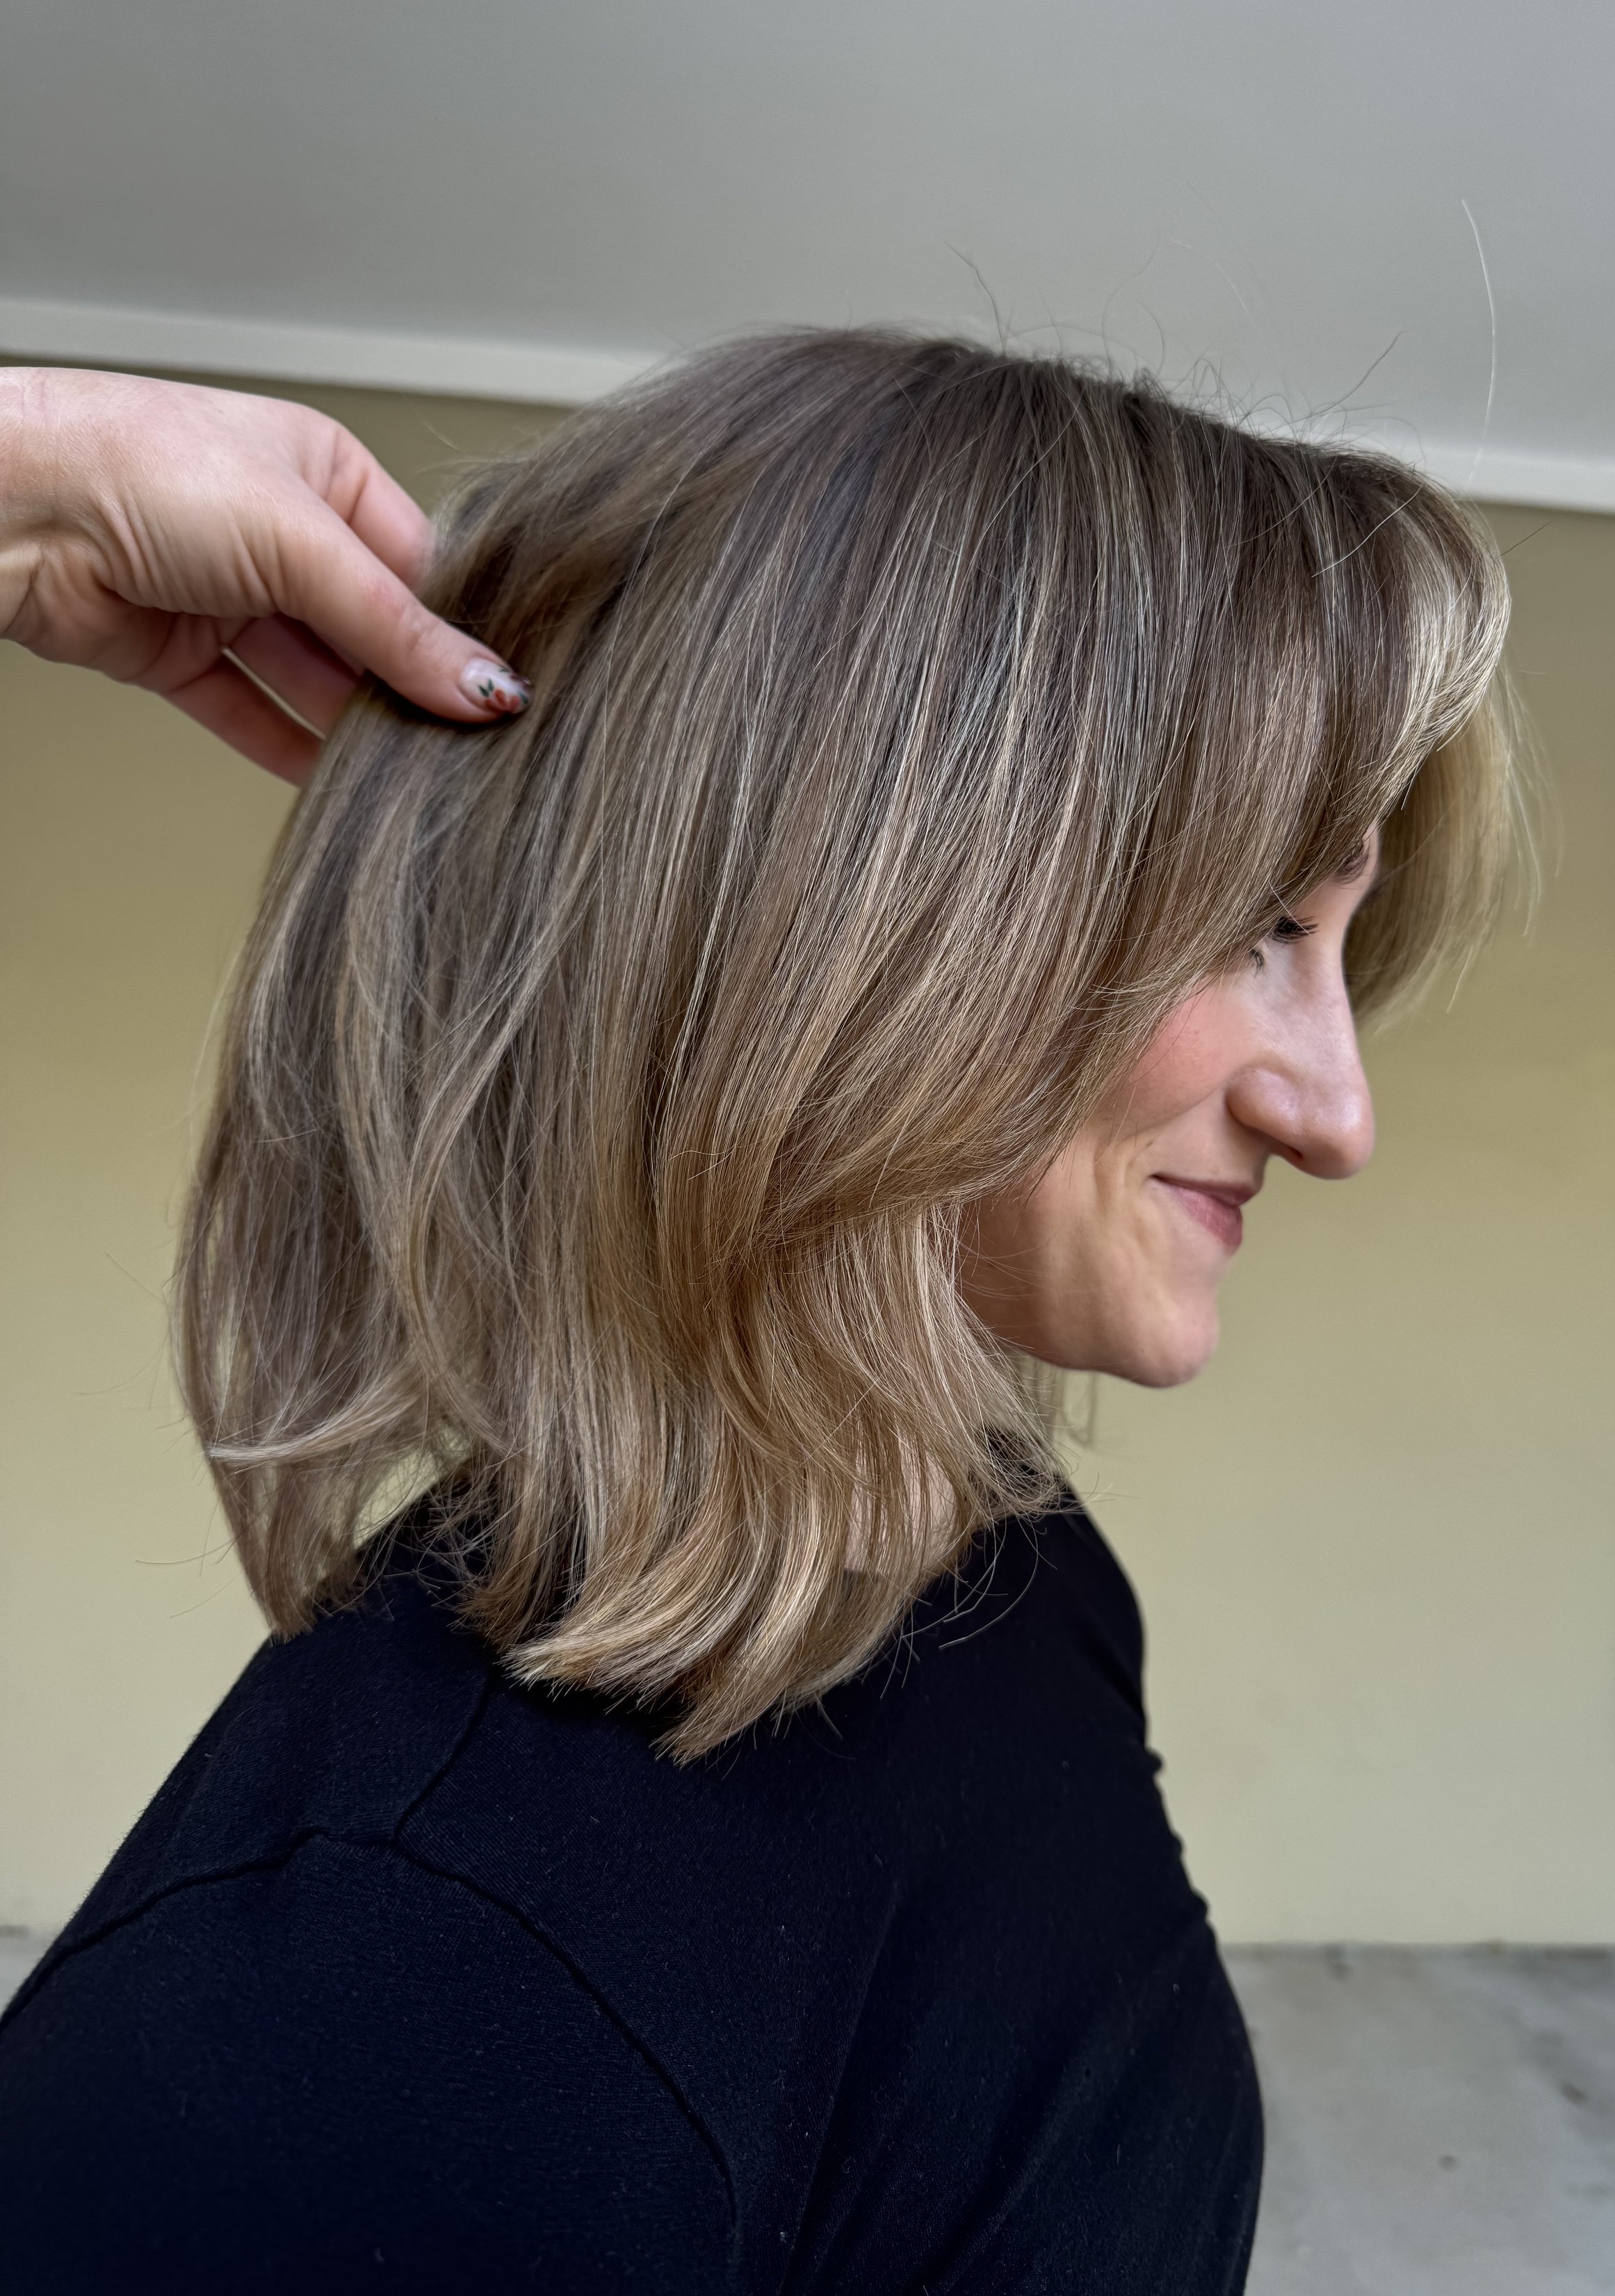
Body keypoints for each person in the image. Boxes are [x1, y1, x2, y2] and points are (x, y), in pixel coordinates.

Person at [0, 336, 1516, 2292]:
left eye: (1326, 937)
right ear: (862, 924)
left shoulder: (1001, 1570)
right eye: (1254, 923)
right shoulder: (383, 2020)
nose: (1338, 1115)